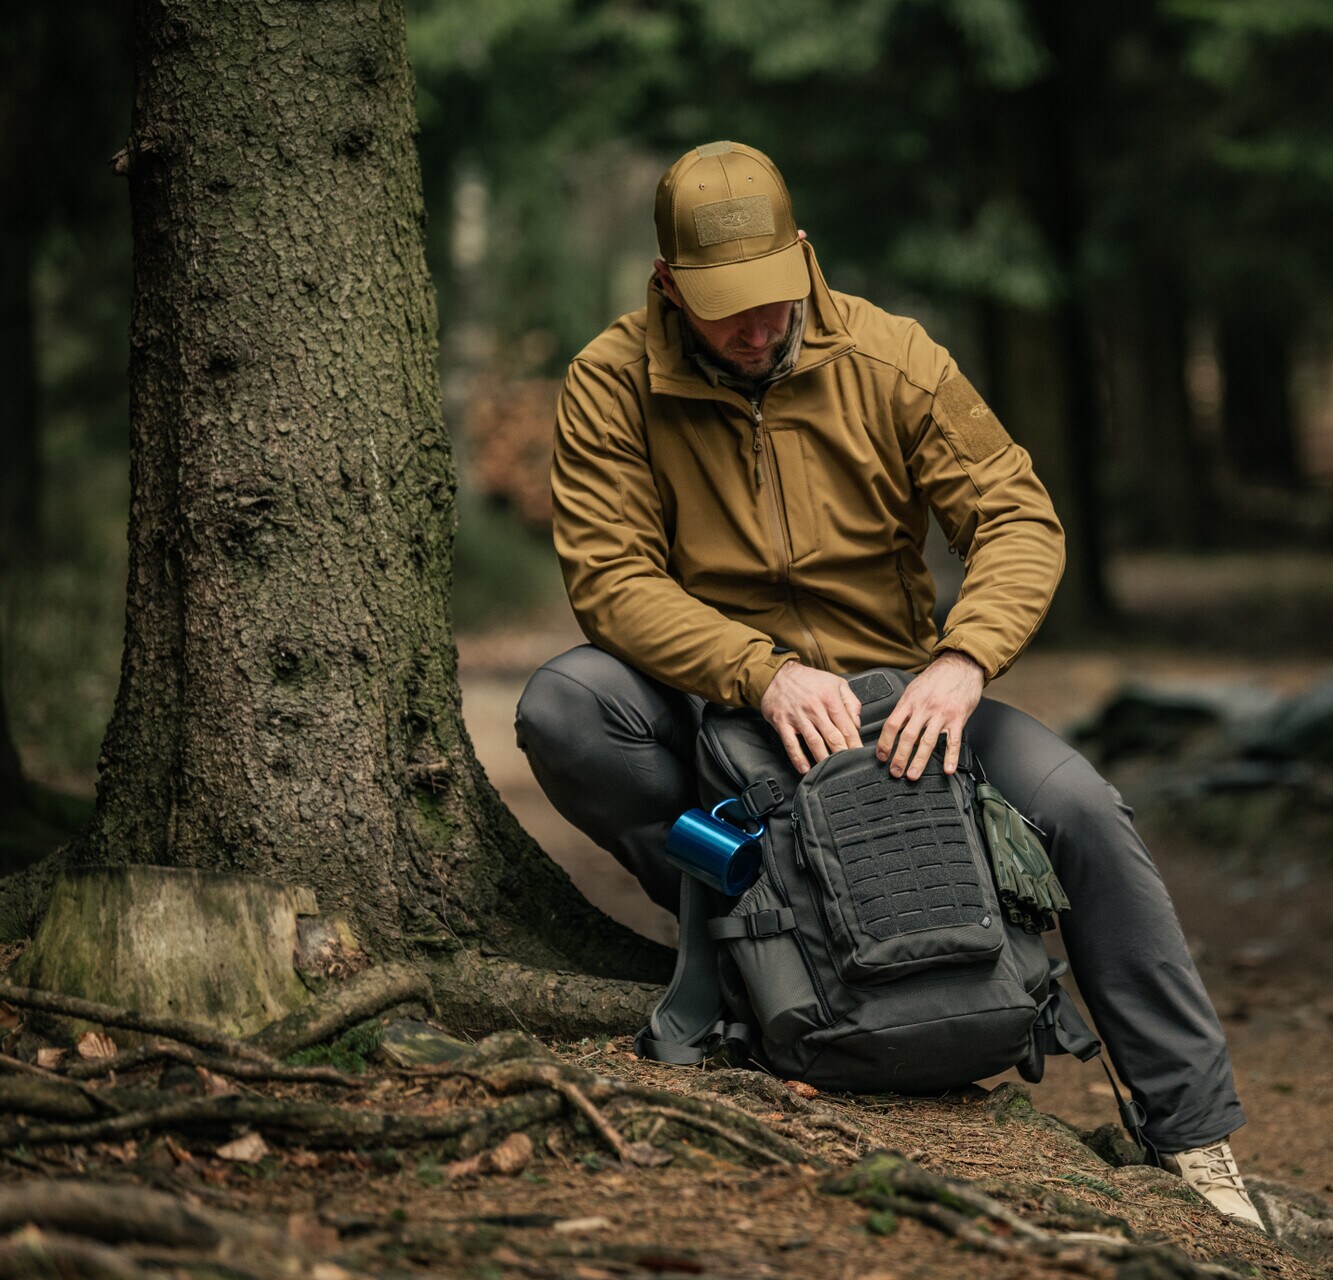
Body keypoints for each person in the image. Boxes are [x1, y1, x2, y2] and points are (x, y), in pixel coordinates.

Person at [514, 140, 1259, 1229]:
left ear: (804, 257)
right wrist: (759, 672)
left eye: (771, 299)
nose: (754, 327)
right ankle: (752, 955)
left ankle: (1193, 1134)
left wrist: (963, 661)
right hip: (712, 699)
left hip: (903, 695)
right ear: (667, 285)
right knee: (565, 708)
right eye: (723, 308)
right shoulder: (610, 380)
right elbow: (611, 575)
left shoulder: (893, 359)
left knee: (1085, 810)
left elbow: (1016, 516)